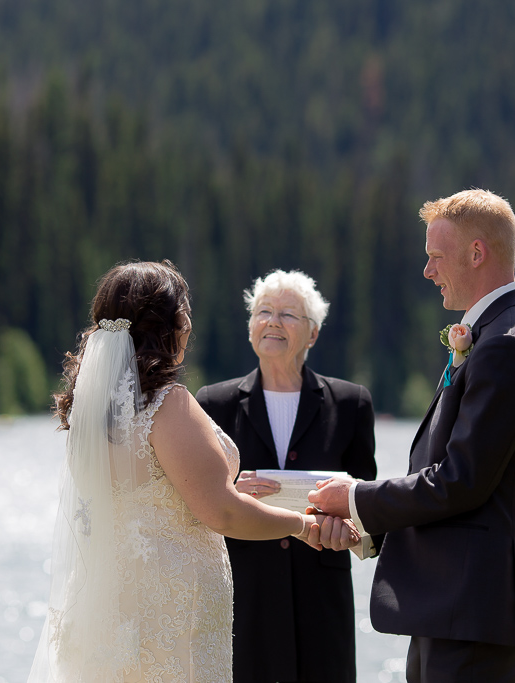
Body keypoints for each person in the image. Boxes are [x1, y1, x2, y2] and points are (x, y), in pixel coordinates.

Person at [27, 260, 359, 683]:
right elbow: (221, 512)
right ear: (173, 325)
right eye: (185, 314)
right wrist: (301, 525)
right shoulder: (169, 405)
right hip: (170, 609)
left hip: (112, 605)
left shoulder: (90, 415)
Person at [309, 190, 515, 683]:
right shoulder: (494, 334)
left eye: (435, 257)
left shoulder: (505, 345)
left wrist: (356, 497)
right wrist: (369, 530)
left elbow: (462, 480)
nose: (428, 270)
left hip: (474, 612)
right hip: (454, 608)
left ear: (477, 253)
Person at [197, 269, 376, 683]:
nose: (273, 321)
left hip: (322, 603)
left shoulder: (351, 404)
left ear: (312, 334)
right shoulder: (214, 403)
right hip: (244, 599)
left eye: (288, 315)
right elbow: (194, 505)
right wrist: (226, 493)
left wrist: (353, 531)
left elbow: (367, 506)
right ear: (250, 328)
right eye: (263, 311)